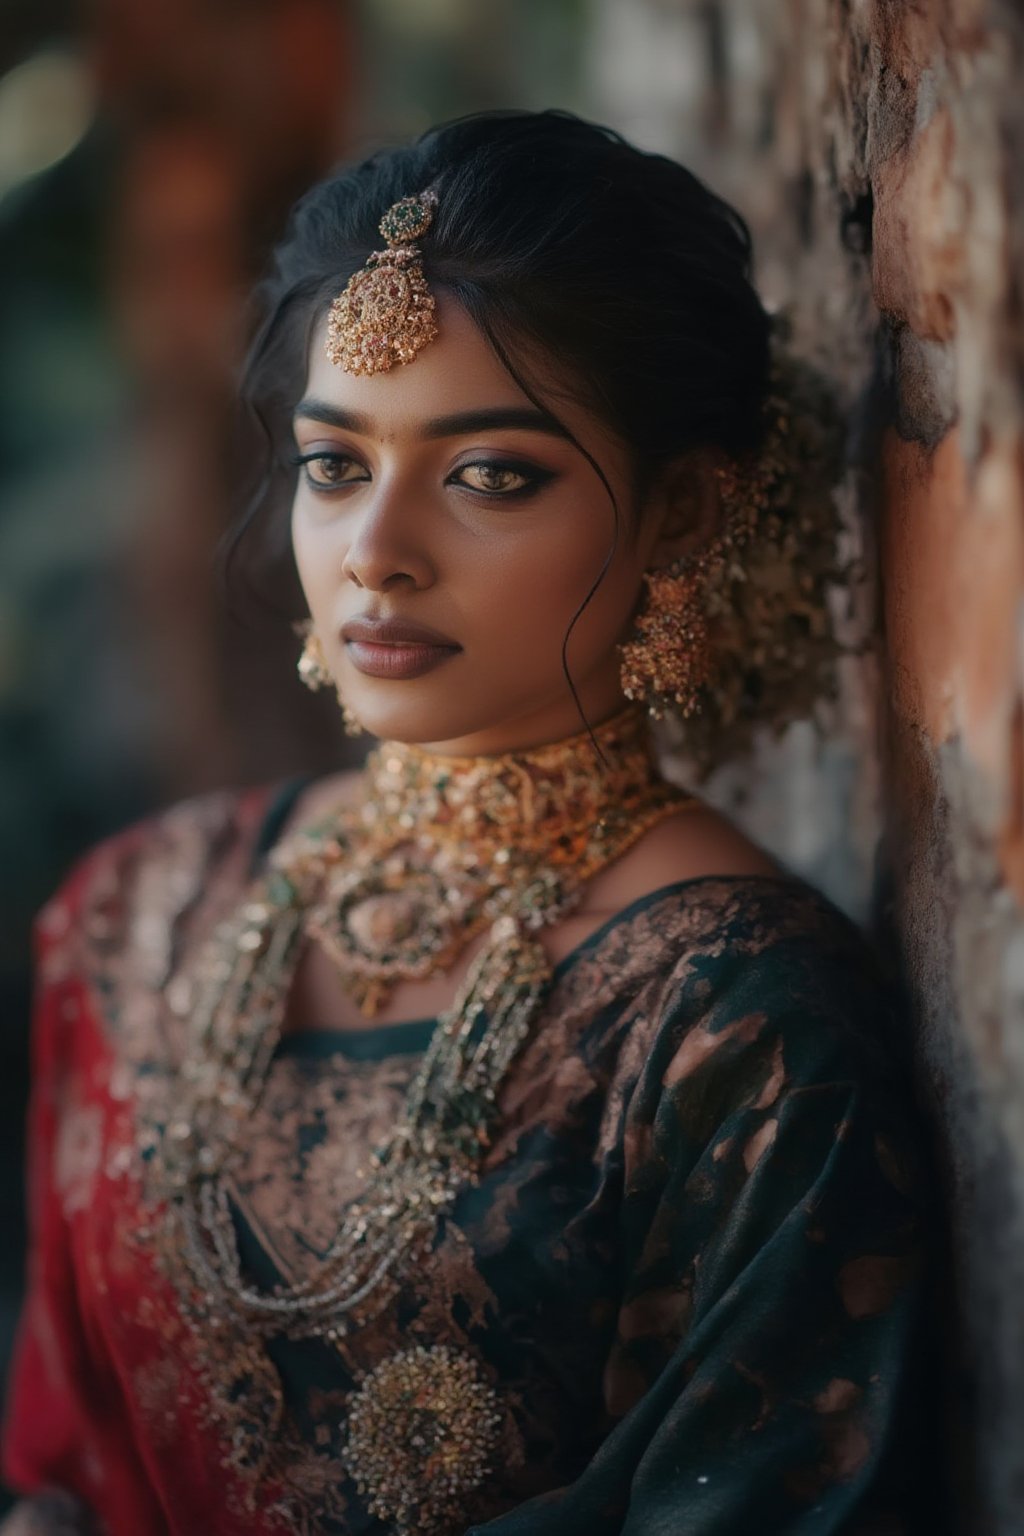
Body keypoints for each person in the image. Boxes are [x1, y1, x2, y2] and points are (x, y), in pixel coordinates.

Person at [0, 110, 932, 1535]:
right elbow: (61, 1472)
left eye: (489, 472)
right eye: (334, 466)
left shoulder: (742, 1025)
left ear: (681, 517)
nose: (376, 551)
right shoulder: (136, 915)